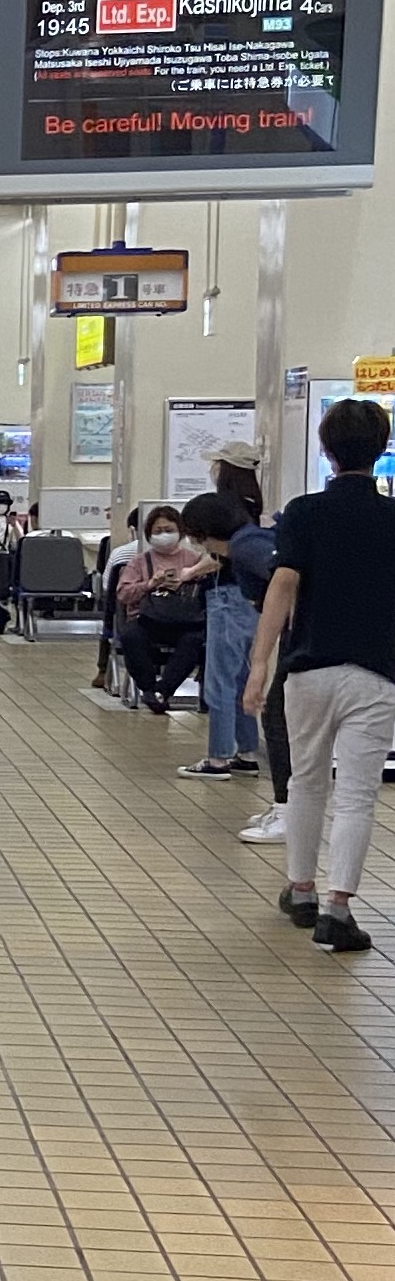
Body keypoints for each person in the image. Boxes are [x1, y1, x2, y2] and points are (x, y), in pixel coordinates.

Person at [244, 399, 395, 953]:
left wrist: (259, 664)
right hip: (376, 673)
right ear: (381, 452)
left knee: (307, 780)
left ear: (326, 451)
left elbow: (282, 587)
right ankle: (339, 910)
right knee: (357, 793)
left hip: (307, 668)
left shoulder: (304, 513)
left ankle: (301, 890)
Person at [181, 490, 286, 841]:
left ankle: (220, 757)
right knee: (248, 689)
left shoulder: (245, 548)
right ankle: (248, 759)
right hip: (273, 624)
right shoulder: (250, 538)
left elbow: (282, 577)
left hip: (242, 612)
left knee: (226, 683)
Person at [179, 443, 266, 780]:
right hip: (249, 601)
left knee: (219, 679)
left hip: (226, 599)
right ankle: (246, 752)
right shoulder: (251, 506)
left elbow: (218, 557)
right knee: (243, 676)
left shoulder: (222, 508)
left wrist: (186, 574)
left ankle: (218, 758)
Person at [113, 506, 205, 714]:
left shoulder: (195, 561)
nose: (164, 534)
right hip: (148, 618)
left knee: (194, 641)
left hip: (185, 621)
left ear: (180, 531)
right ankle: (147, 687)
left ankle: (163, 690)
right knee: (132, 636)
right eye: (158, 531)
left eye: (169, 529)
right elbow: (123, 594)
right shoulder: (139, 562)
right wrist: (149, 584)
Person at [94, 507, 142, 690]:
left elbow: (107, 587)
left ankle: (102, 670)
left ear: (132, 529)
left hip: (125, 619)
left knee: (111, 611)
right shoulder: (187, 557)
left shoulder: (120, 553)